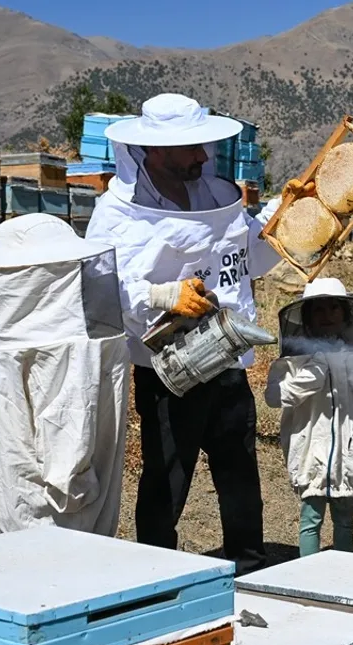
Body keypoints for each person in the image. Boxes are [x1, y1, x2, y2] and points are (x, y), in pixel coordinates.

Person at [85, 93, 283, 573]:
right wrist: (160, 296)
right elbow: (99, 284)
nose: (202, 156)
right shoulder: (116, 212)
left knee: (239, 470)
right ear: (154, 150)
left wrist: (287, 219)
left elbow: (250, 258)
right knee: (167, 476)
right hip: (167, 366)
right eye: (190, 148)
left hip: (227, 350)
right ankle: (155, 572)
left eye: (203, 146)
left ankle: (249, 564)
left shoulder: (217, 197)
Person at [0, 213, 129, 536]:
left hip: (18, 514)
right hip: (72, 529)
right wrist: (76, 485)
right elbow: (71, 457)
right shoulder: (68, 353)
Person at [265, 278, 353, 556]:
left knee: (345, 519)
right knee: (310, 518)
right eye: (319, 309)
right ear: (307, 317)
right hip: (309, 453)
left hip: (350, 452)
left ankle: (343, 574)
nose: (327, 315)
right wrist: (311, 375)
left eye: (334, 308)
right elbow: (274, 396)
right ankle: (308, 574)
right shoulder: (292, 361)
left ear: (346, 314)